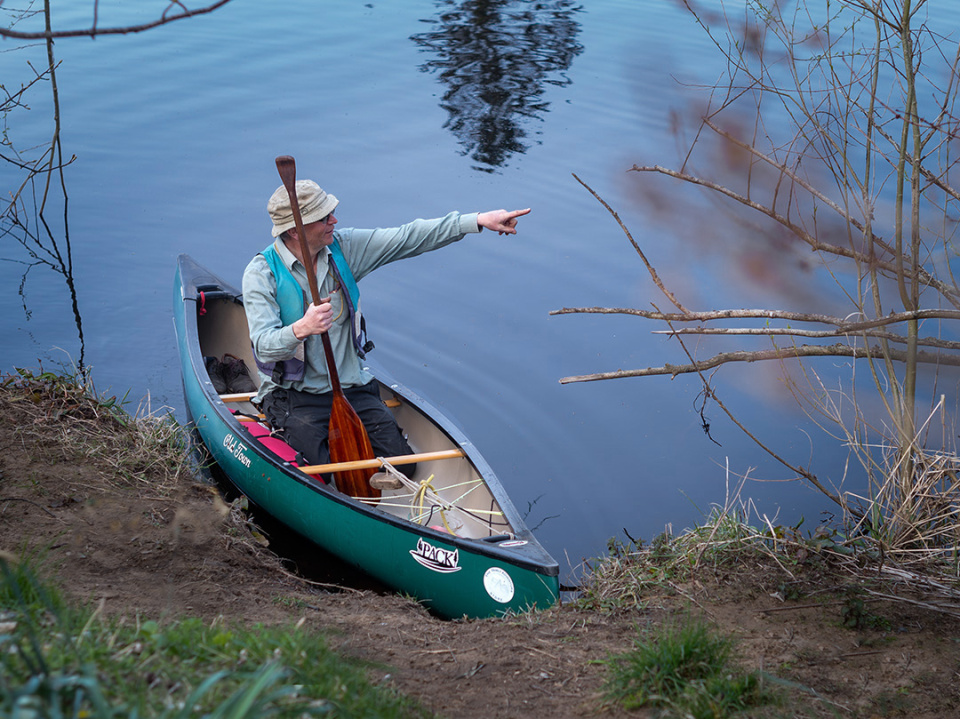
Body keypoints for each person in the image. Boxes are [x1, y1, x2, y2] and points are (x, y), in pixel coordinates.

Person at [242, 178, 529, 488]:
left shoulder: (345, 248)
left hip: (351, 389)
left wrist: (476, 221)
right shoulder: (262, 274)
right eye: (325, 217)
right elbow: (264, 347)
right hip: (295, 397)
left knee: (403, 466)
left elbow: (407, 237)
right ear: (296, 230)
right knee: (326, 477)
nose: (334, 221)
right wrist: (302, 328)